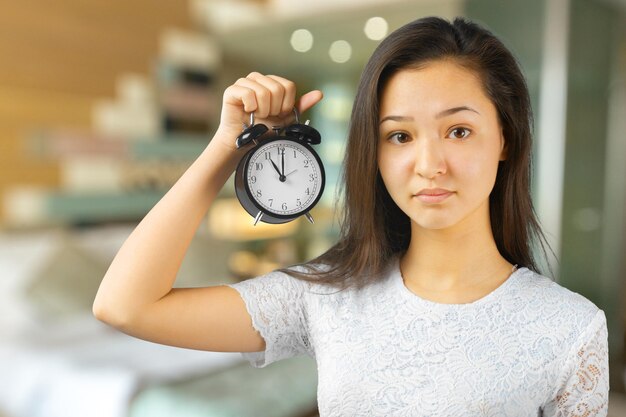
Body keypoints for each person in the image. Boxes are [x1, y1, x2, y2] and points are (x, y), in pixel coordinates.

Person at [94, 16, 609, 416]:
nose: (429, 164)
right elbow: (125, 306)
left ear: (505, 139)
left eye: (458, 131)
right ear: (375, 153)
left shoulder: (570, 329)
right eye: (400, 136)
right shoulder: (326, 295)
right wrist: (229, 145)